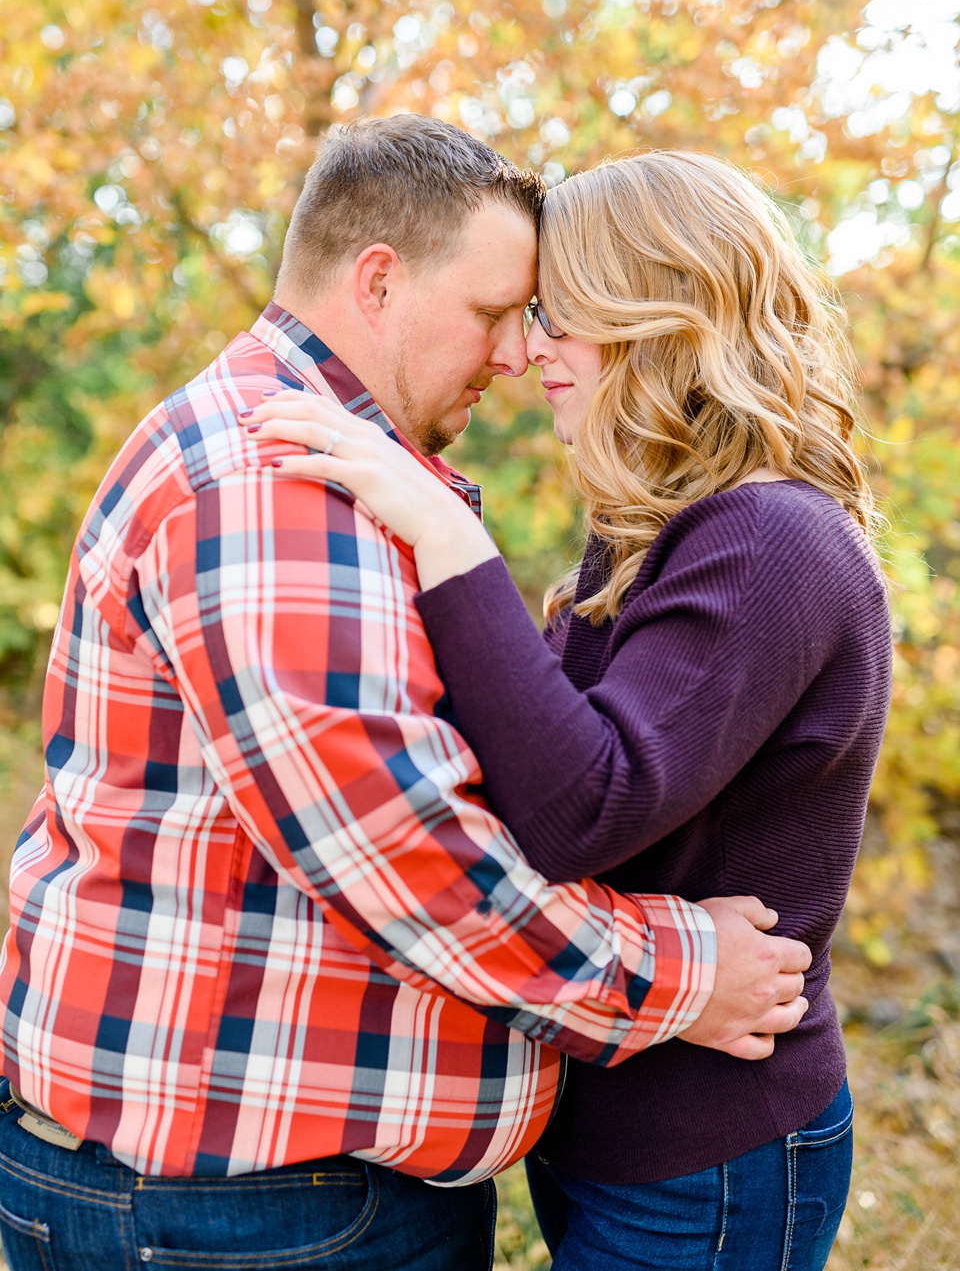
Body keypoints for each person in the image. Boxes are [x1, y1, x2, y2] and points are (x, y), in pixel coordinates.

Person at [0, 119, 810, 1271]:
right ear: (378, 280)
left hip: (251, 1198)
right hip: (244, 1213)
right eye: (494, 311)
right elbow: (402, 850)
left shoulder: (320, 460)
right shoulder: (274, 483)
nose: (519, 354)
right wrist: (680, 974)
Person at [244, 146, 892, 1271]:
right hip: (621, 1128)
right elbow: (514, 756)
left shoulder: (769, 541)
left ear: (663, 317)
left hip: (710, 1153)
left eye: (563, 315)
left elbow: (582, 805)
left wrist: (446, 536)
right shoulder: (663, 524)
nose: (530, 348)